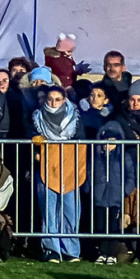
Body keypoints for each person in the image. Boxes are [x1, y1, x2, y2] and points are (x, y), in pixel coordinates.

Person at [32, 86, 87, 263]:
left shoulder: (76, 118)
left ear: (64, 100)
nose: (53, 102)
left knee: (70, 210)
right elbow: (31, 136)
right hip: (47, 168)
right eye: (50, 99)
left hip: (70, 167)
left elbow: (82, 140)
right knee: (49, 211)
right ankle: (52, 249)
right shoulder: (37, 118)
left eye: (57, 99)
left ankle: (71, 250)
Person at [86, 122, 136, 265]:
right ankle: (102, 252)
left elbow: (130, 176)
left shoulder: (123, 157)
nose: (108, 145)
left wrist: (125, 191)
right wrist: (90, 189)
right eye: (105, 142)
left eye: (112, 142)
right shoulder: (95, 157)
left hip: (115, 198)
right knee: (100, 226)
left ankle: (112, 254)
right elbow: (89, 173)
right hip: (99, 197)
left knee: (114, 227)